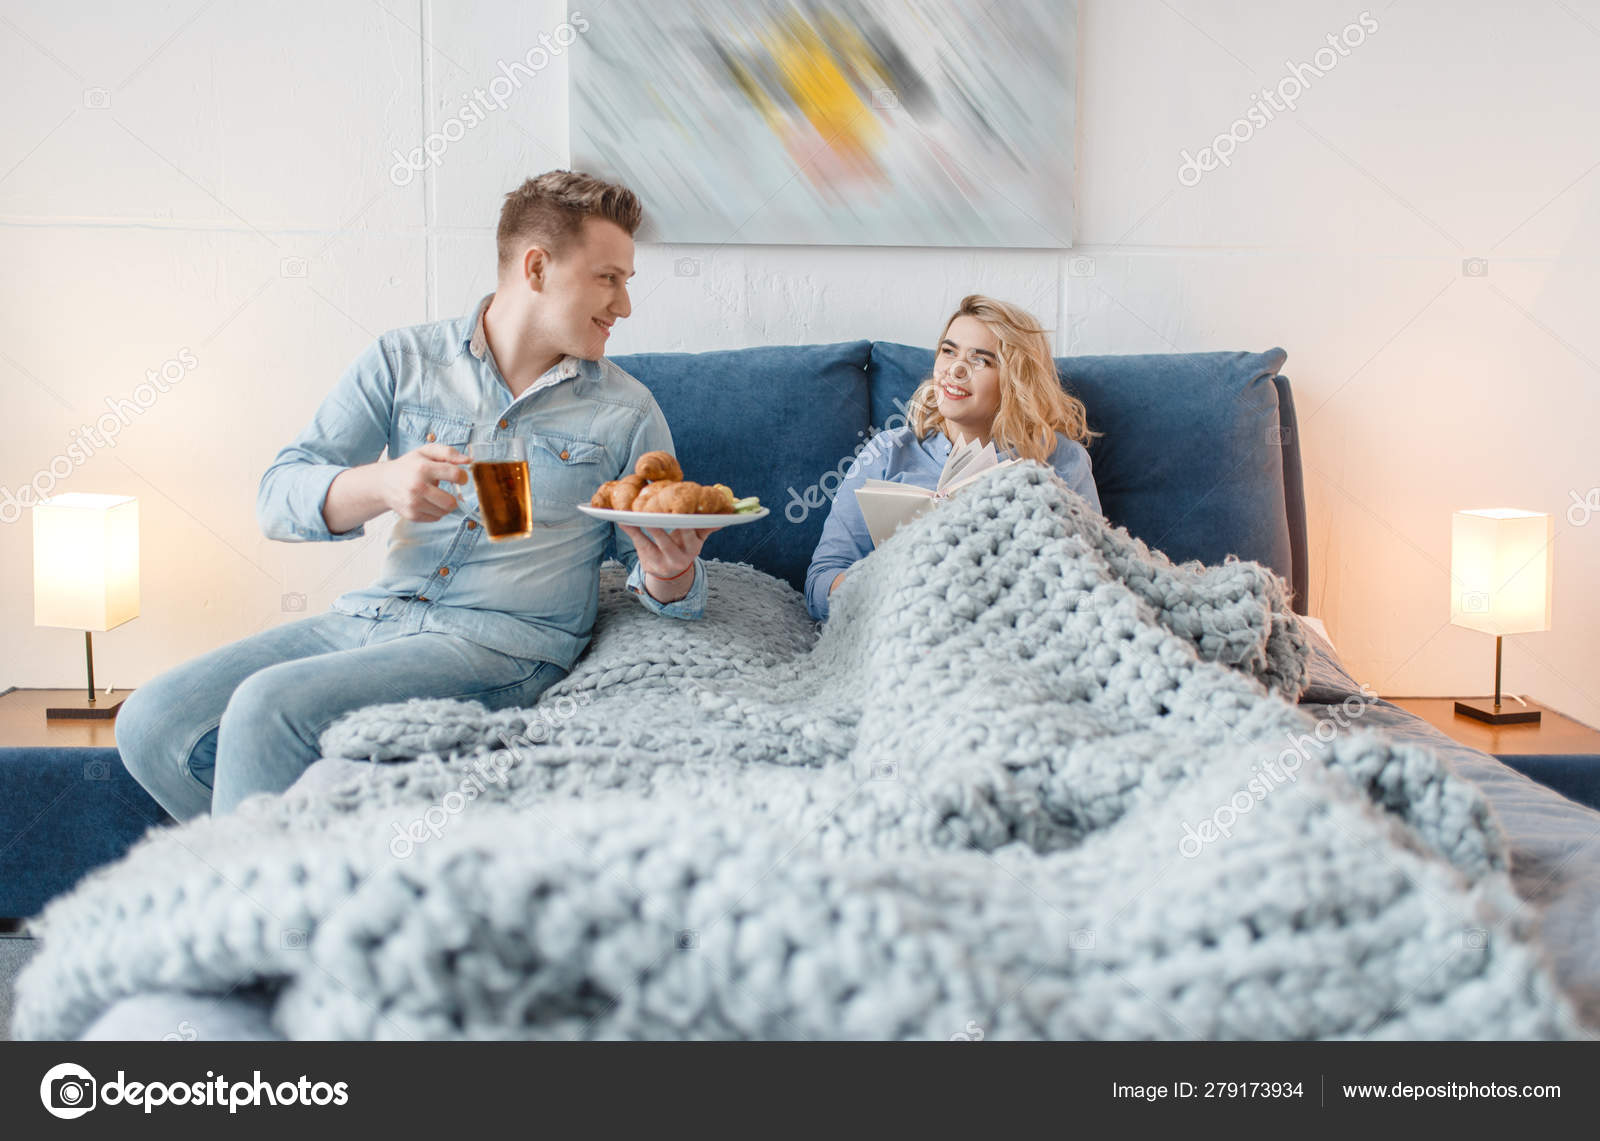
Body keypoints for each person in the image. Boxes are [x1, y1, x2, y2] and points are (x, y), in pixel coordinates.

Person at [117, 170, 712, 820]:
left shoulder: (626, 411)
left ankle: (259, 912)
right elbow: (277, 495)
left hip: (502, 645)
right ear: (536, 267)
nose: (624, 305)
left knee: (267, 707)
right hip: (370, 619)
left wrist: (671, 573)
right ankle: (293, 871)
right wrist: (381, 483)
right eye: (609, 278)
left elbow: (663, 576)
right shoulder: (402, 362)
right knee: (149, 722)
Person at [805, 294, 1101, 622]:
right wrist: (892, 586)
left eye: (981, 360)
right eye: (949, 351)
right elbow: (821, 582)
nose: (955, 370)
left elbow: (1093, 578)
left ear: (1015, 381)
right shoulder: (887, 453)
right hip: (905, 624)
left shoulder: (1060, 461)